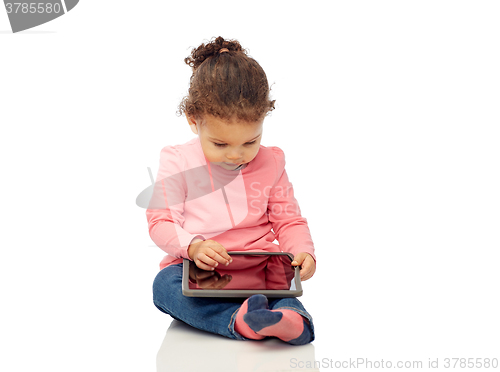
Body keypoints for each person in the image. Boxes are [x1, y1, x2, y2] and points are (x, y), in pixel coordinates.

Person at [147, 36, 316, 345]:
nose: (236, 154)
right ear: (193, 120)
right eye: (220, 144)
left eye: (250, 142)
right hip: (196, 269)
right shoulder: (177, 160)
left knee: (281, 292)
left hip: (258, 270)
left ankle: (290, 321)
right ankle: (241, 320)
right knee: (164, 285)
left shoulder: (272, 161)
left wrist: (303, 252)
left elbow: (288, 220)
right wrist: (194, 247)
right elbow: (161, 222)